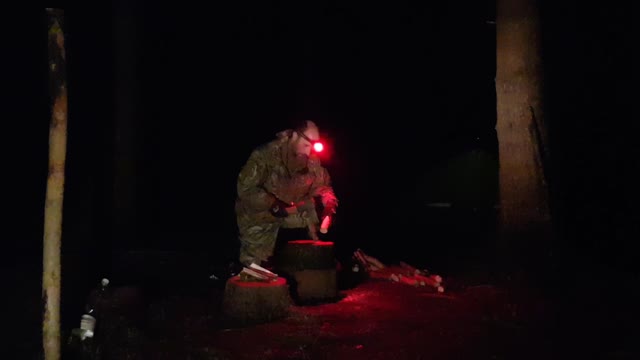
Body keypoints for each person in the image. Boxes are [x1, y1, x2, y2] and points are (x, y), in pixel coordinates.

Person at [234, 120, 339, 267]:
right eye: (306, 145)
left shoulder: (311, 159)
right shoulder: (265, 155)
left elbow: (324, 187)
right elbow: (245, 190)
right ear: (295, 136)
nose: (309, 152)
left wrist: (329, 206)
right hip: (262, 214)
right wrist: (272, 203)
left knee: (316, 209)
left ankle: (307, 257)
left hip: (291, 210)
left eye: (313, 147)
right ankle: (252, 263)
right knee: (257, 270)